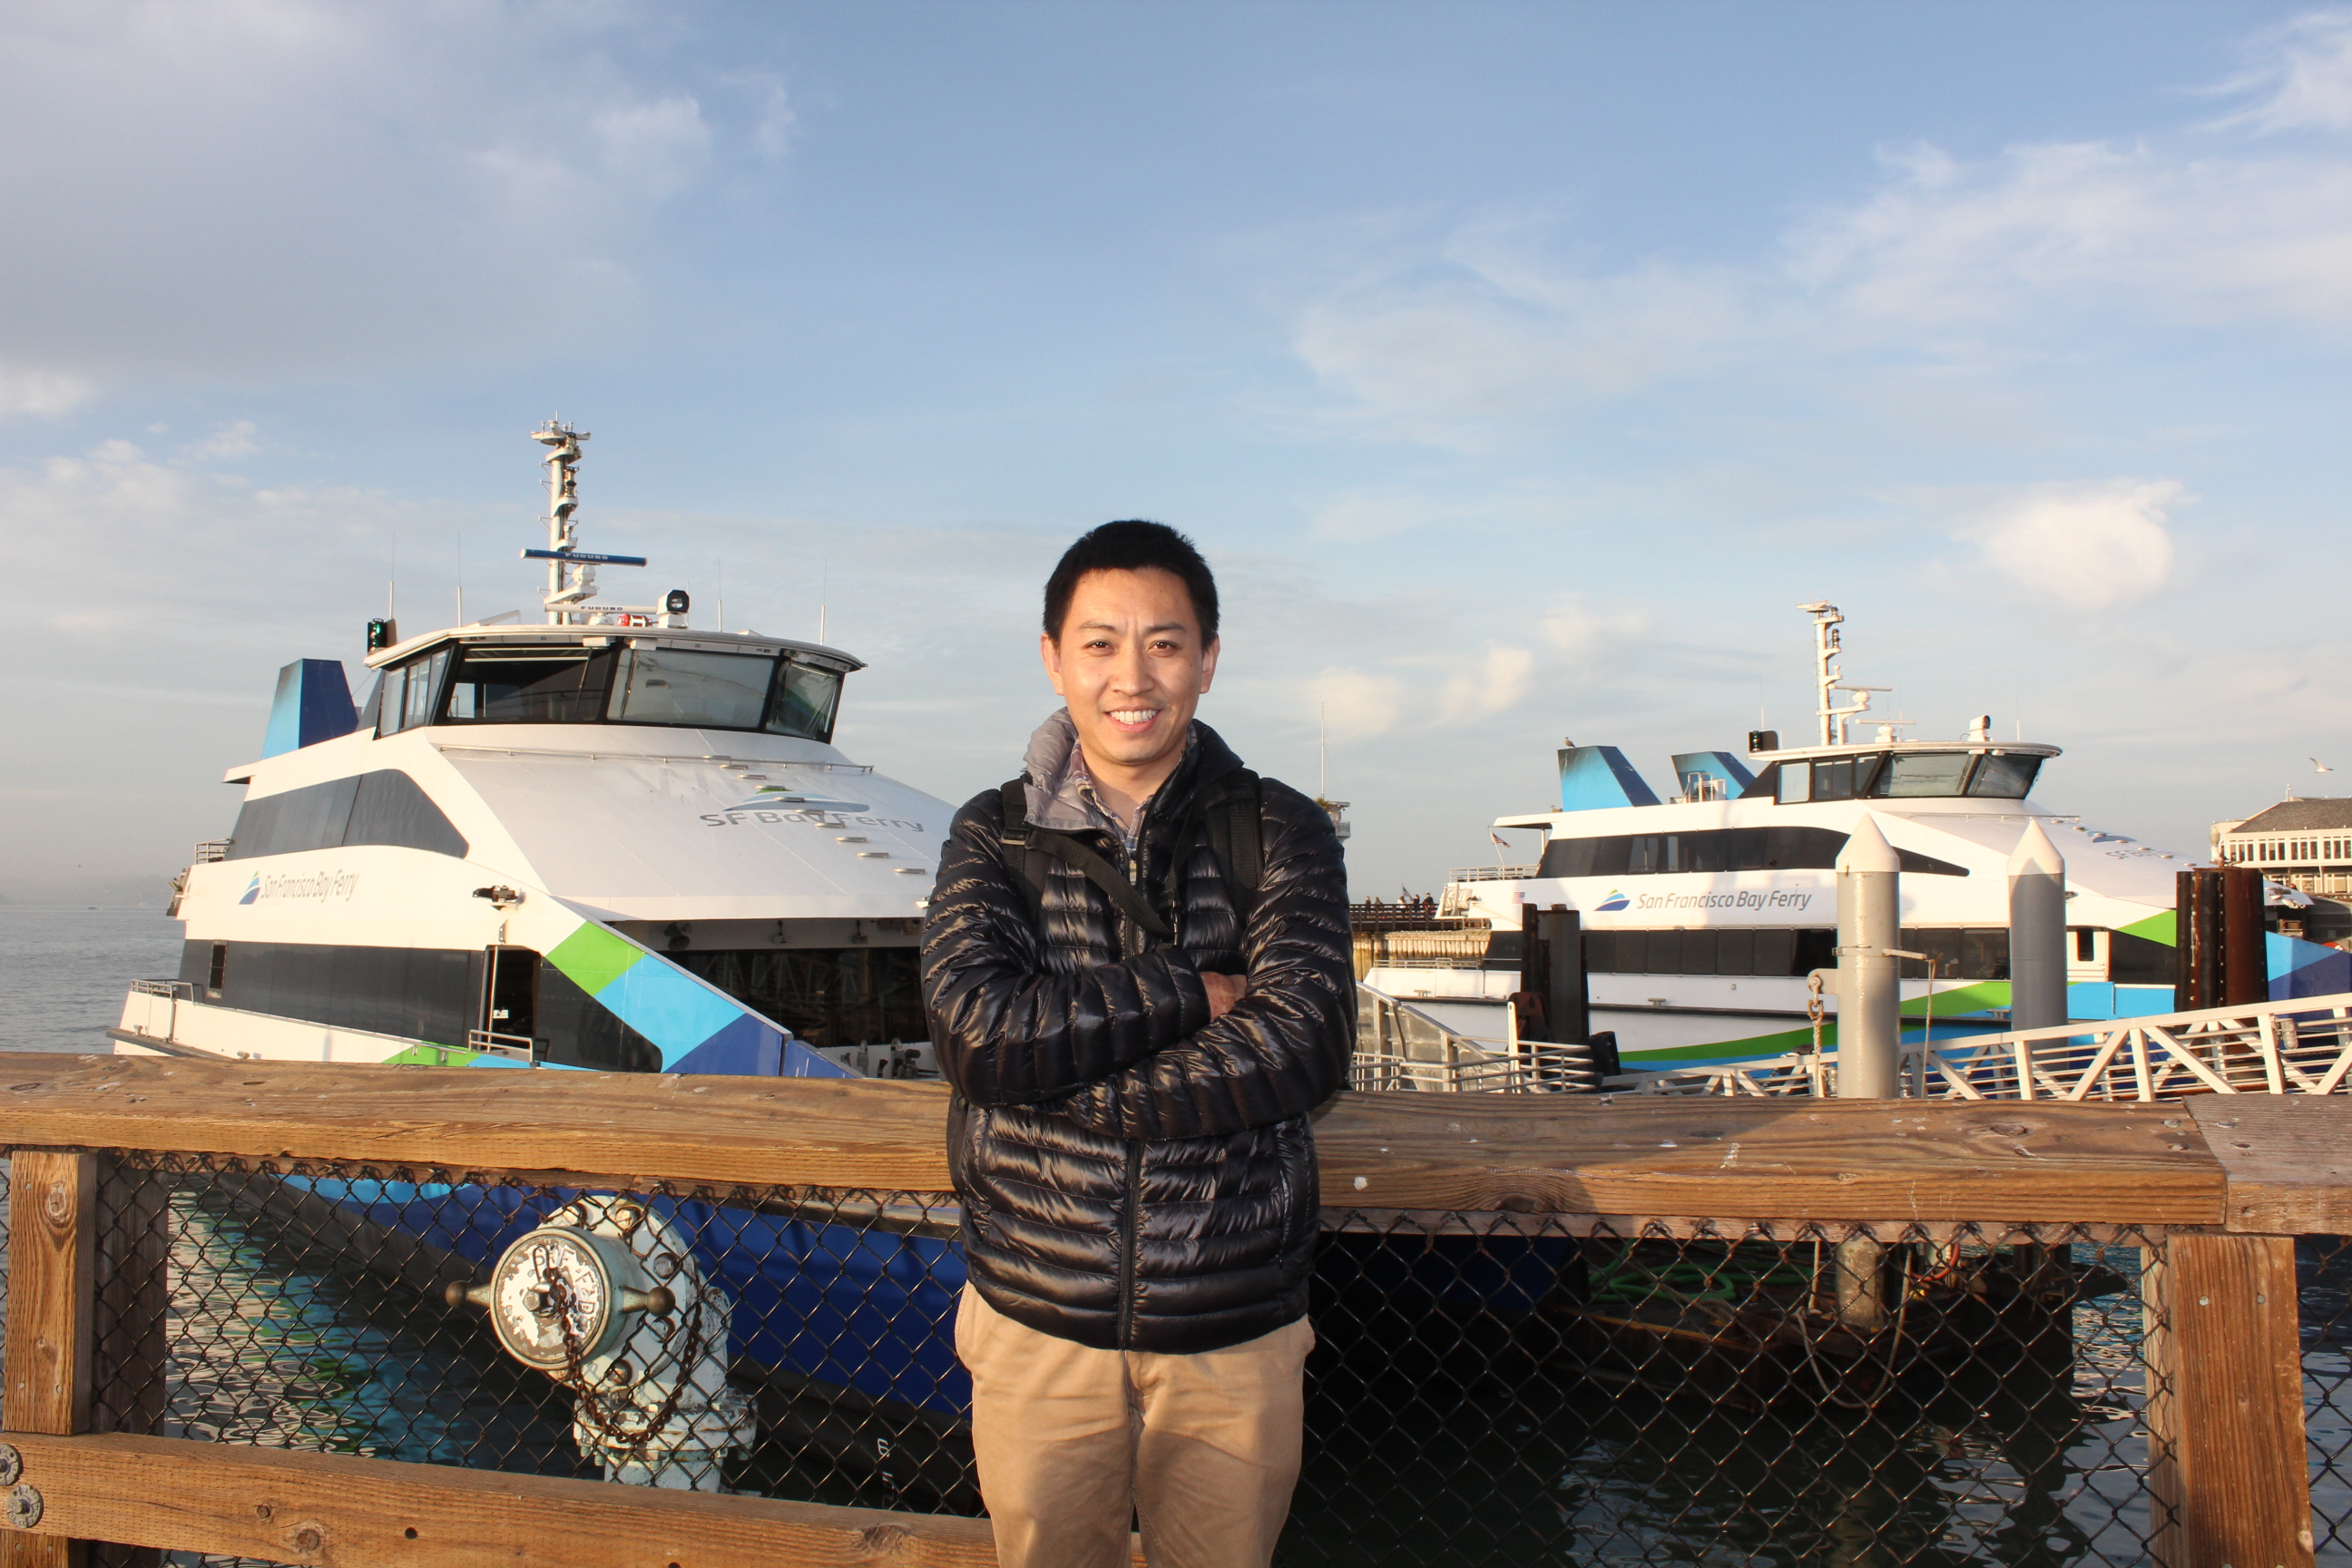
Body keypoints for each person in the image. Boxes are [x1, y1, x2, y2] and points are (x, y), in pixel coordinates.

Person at [921, 520, 1355, 1568]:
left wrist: (1058, 1082)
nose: (1133, 676)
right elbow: (976, 1032)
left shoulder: (1278, 828)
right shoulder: (994, 833)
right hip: (1037, 1316)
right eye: (1100, 643)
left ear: (1208, 660)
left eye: (1165, 643)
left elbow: (1305, 1042)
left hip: (1232, 1326)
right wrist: (1189, 992)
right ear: (1053, 658)